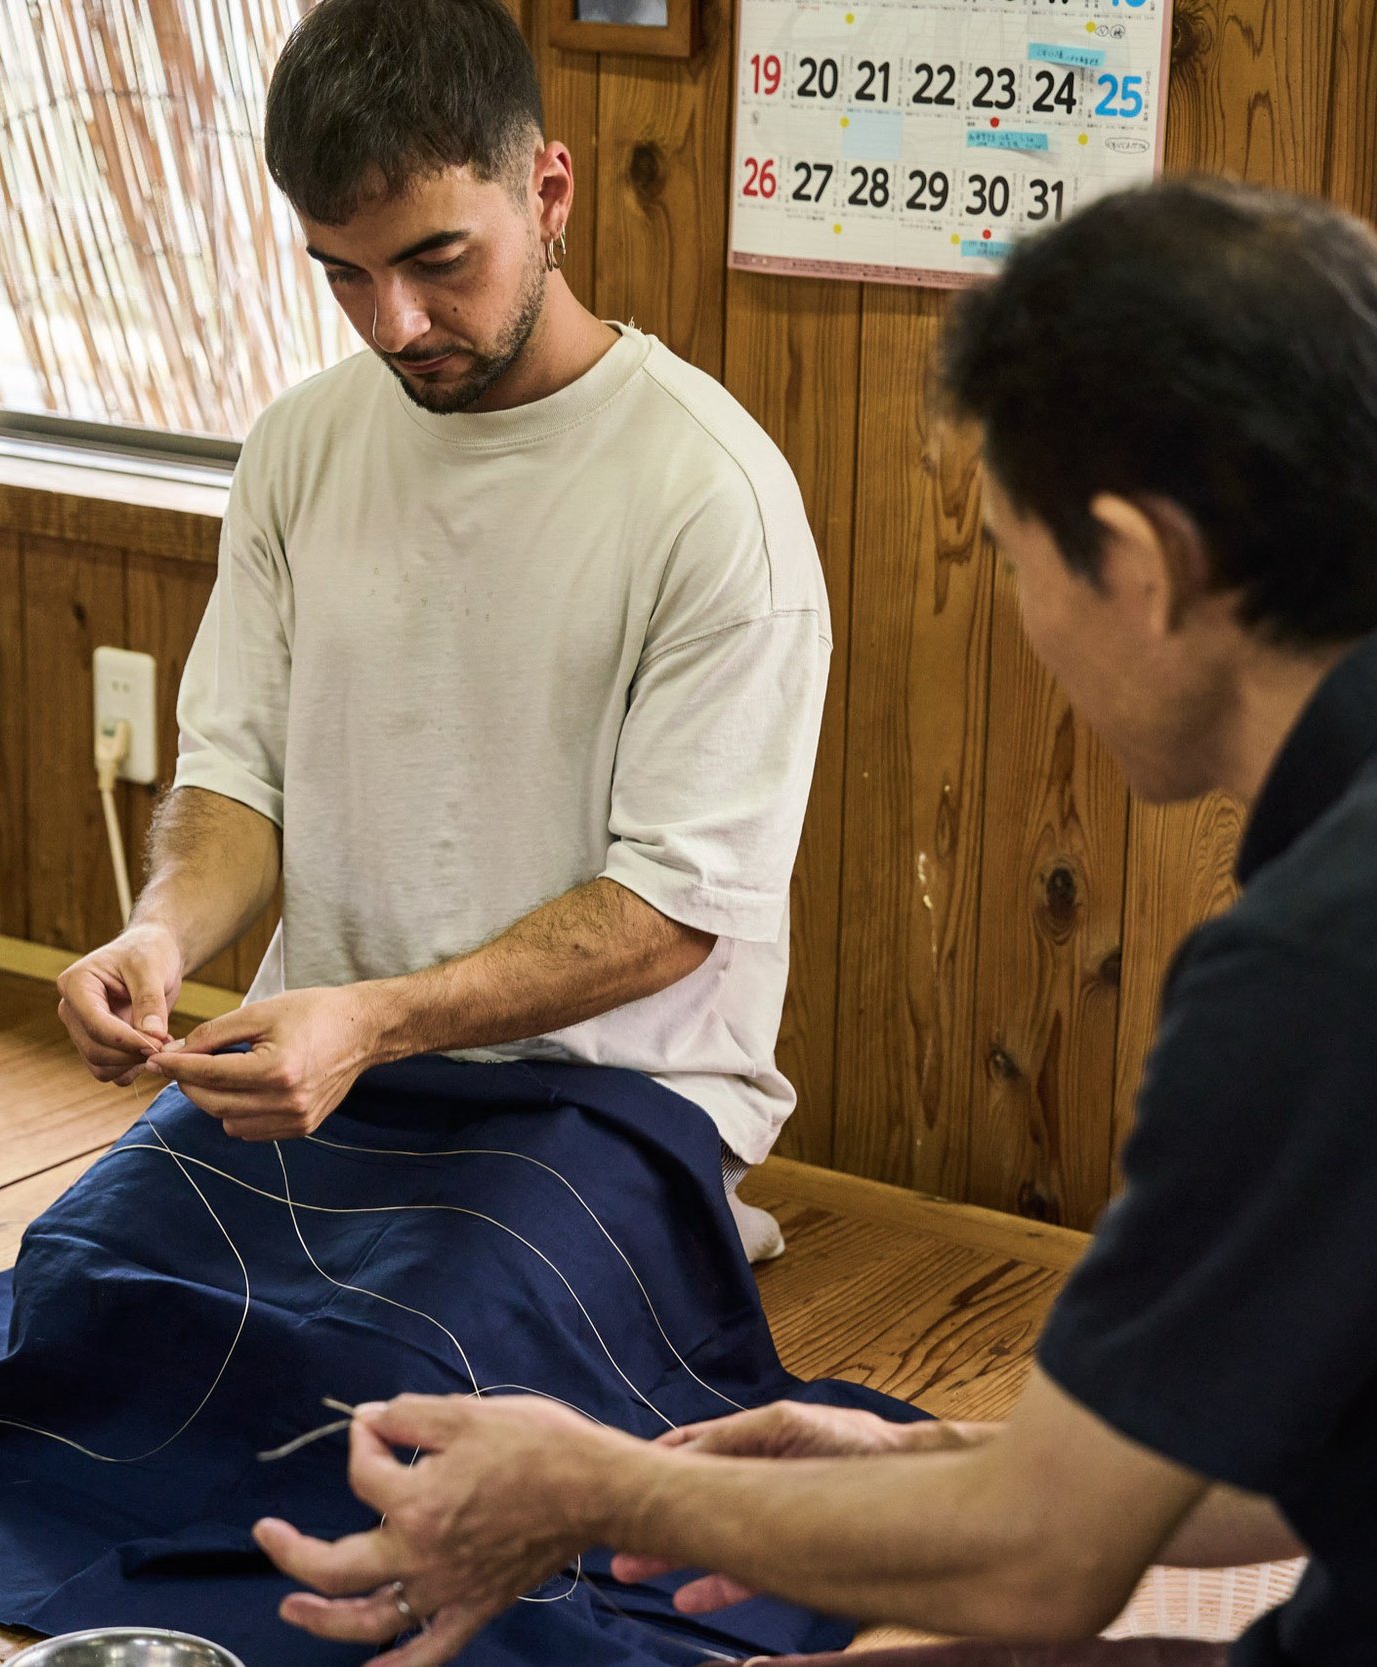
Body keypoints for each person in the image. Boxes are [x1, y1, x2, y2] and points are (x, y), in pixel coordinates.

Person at [252, 179, 1377, 1665]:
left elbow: (1042, 1563)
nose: (1031, 621)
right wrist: (924, 1450)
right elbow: (1369, 1437)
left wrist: (593, 1484)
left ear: (1140, 565)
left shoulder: (1353, 944)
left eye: (1019, 561)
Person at [52, 0, 829, 1262]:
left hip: (611, 1099)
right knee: (82, 1289)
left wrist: (374, 1019)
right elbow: (237, 773)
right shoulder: (301, 445)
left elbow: (673, 908)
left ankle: (686, 1241)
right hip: (331, 1061)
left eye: (437, 260)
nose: (394, 324)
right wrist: (161, 932)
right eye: (344, 273)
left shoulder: (709, 492)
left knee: (406, 1360)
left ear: (549, 193)